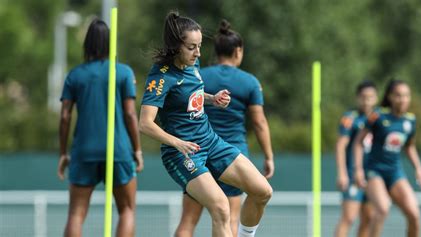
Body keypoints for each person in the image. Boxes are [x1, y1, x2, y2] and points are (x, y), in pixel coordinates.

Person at [139, 12, 272, 237]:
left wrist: (212, 98)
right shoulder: (160, 77)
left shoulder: (193, 64)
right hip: (182, 154)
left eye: (200, 46)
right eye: (192, 47)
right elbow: (145, 123)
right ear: (176, 45)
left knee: (262, 191)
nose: (198, 53)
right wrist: (177, 142)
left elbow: (191, 93)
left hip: (211, 142)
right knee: (221, 207)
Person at [174, 20, 274, 237]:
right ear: (238, 51)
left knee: (187, 222)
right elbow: (259, 122)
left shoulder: (200, 75)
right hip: (231, 154)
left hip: (197, 150)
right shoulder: (249, 82)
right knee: (230, 220)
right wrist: (268, 156)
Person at [57, 19, 144, 237]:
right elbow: (130, 114)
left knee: (76, 214)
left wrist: (63, 153)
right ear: (110, 44)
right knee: (127, 210)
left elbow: (65, 116)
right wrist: (137, 150)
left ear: (86, 44)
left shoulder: (75, 75)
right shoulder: (123, 72)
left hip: (84, 150)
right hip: (119, 149)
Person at [354, 80, 421, 237]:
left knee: (414, 214)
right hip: (374, 171)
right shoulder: (378, 116)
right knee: (382, 208)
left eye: (406, 95)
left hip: (395, 172)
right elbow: (359, 142)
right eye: (399, 95)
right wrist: (359, 170)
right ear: (390, 97)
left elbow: (409, 146)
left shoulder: (410, 120)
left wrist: (419, 168)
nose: (403, 99)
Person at [334, 81, 376, 237]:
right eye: (363, 97)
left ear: (376, 98)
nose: (367, 101)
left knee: (369, 219)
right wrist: (342, 173)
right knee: (349, 217)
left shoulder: (379, 118)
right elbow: (340, 145)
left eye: (370, 97)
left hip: (372, 176)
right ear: (358, 98)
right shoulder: (350, 118)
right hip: (353, 175)